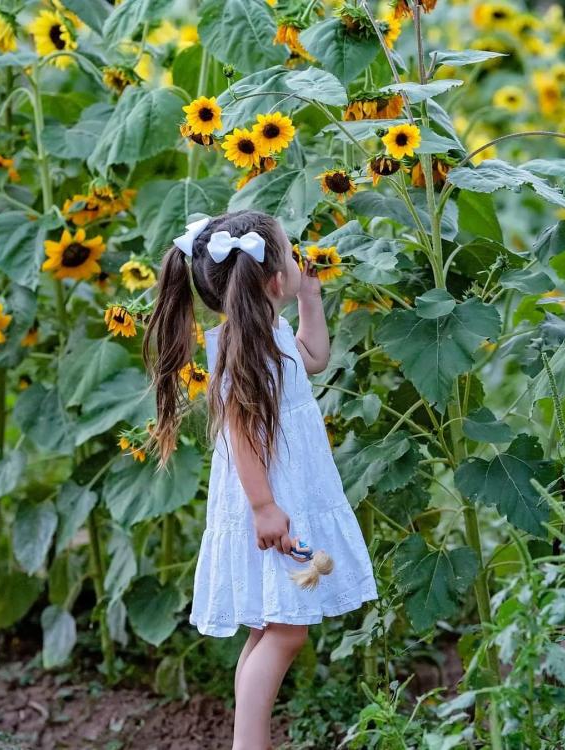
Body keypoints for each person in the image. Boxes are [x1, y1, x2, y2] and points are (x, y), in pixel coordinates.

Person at [143, 210, 377, 750]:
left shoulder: (266, 335)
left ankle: (250, 740)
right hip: (271, 500)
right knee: (288, 633)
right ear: (274, 281)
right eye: (291, 255)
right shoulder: (245, 350)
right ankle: (250, 745)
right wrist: (265, 507)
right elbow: (244, 435)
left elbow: (315, 358)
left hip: (281, 494)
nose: (299, 261)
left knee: (269, 628)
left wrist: (312, 300)